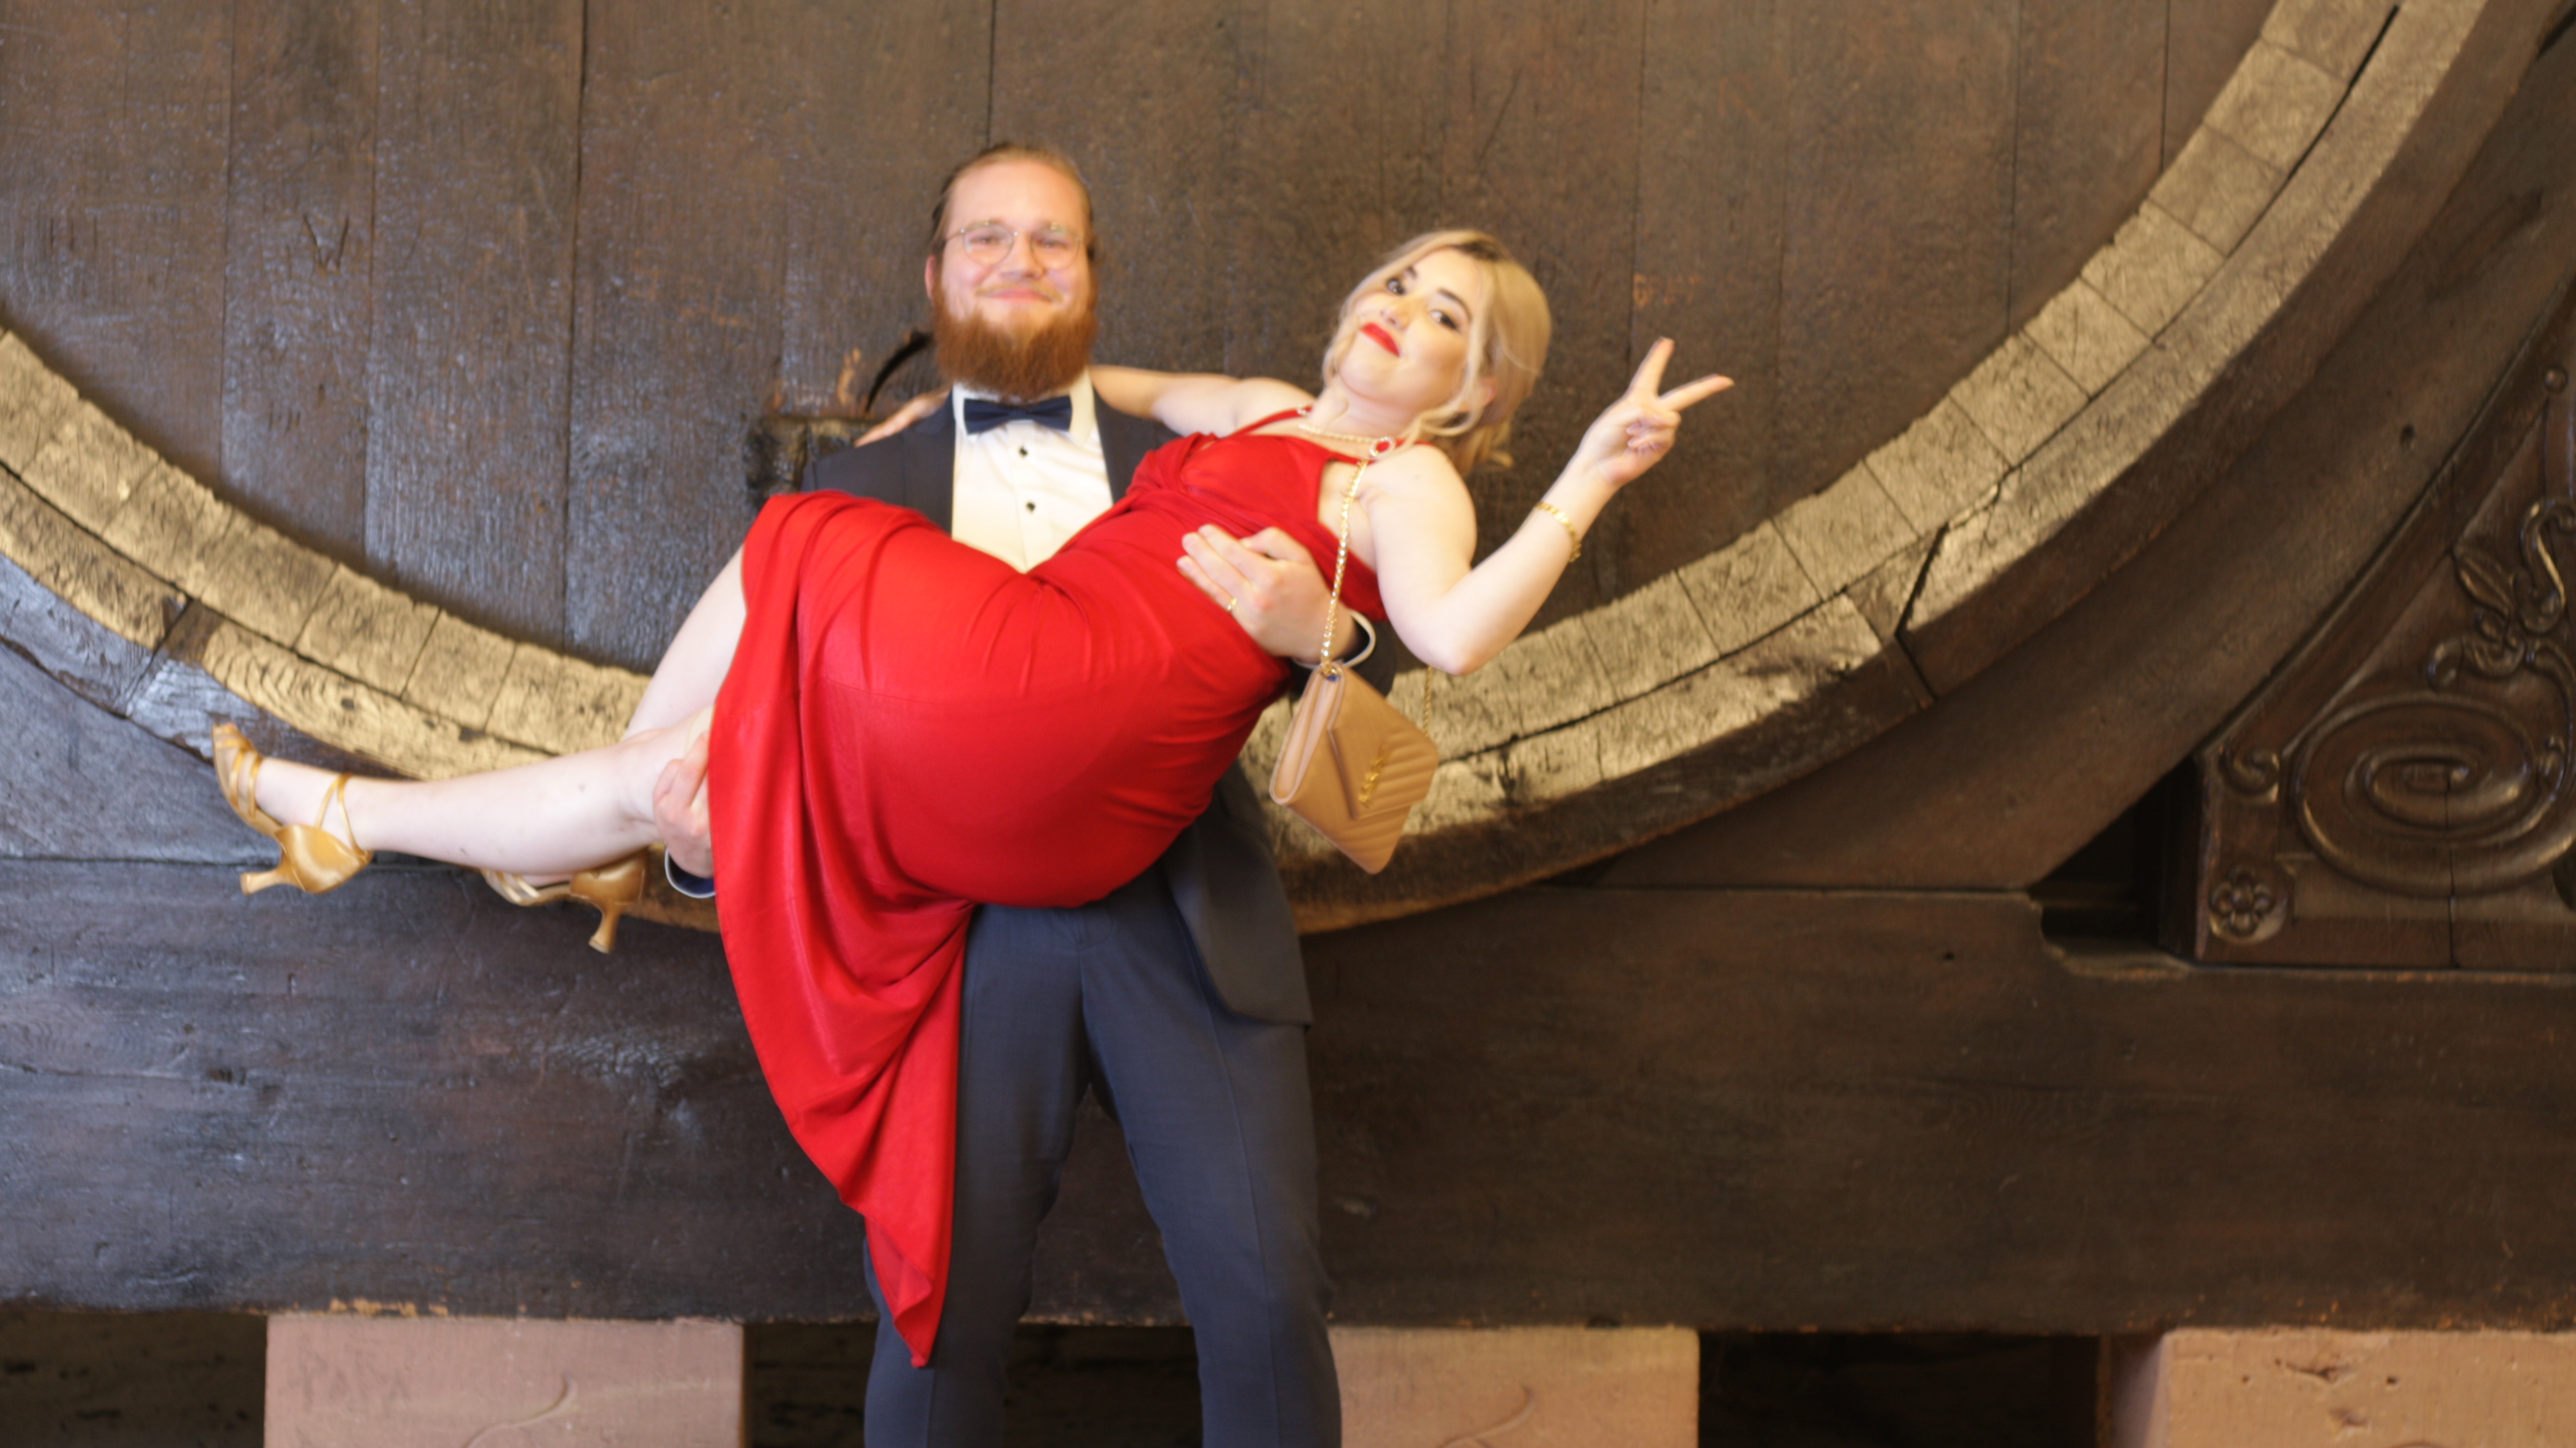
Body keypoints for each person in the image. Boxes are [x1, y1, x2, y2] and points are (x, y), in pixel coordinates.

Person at [211, 147, 1726, 1442]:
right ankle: (571, 817)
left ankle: (475, 822)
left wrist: (1329, 626)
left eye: (1051, 241)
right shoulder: (913, 463)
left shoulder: (1301, 464)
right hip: (961, 906)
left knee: (1265, 1293)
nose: (1019, 263)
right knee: (942, 1305)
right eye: (987, 241)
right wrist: (939, 420)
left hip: (1179, 904)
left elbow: (1406, 682)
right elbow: (1081, 402)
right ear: (938, 280)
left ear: (1092, 273)